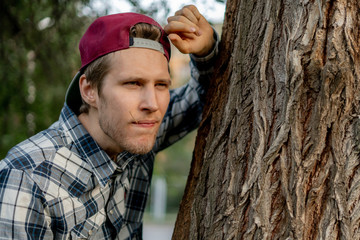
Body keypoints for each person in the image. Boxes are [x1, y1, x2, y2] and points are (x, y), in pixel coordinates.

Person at [0, 5, 218, 239]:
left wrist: (205, 50)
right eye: (133, 83)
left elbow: (206, 96)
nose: (152, 104)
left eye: (161, 85)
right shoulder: (27, 179)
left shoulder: (136, 132)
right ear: (89, 90)